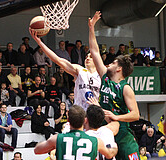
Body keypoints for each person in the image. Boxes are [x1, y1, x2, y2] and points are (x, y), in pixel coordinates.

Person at [88, 11, 140, 160]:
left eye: (113, 63)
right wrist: (92, 28)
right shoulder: (105, 77)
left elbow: (135, 115)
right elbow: (94, 51)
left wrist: (116, 116)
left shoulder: (125, 88)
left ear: (119, 69)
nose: (109, 63)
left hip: (123, 137)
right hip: (106, 134)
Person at [29, 29, 100, 111]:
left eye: (91, 57)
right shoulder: (79, 70)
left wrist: (92, 28)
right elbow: (57, 60)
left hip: (95, 112)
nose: (87, 58)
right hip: (80, 113)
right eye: (86, 57)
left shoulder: (102, 74)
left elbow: (95, 50)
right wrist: (39, 43)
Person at [34, 105, 117, 159]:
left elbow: (37, 150)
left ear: (68, 120)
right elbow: (109, 154)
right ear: (85, 121)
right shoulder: (96, 141)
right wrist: (115, 148)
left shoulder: (58, 138)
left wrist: (53, 144)